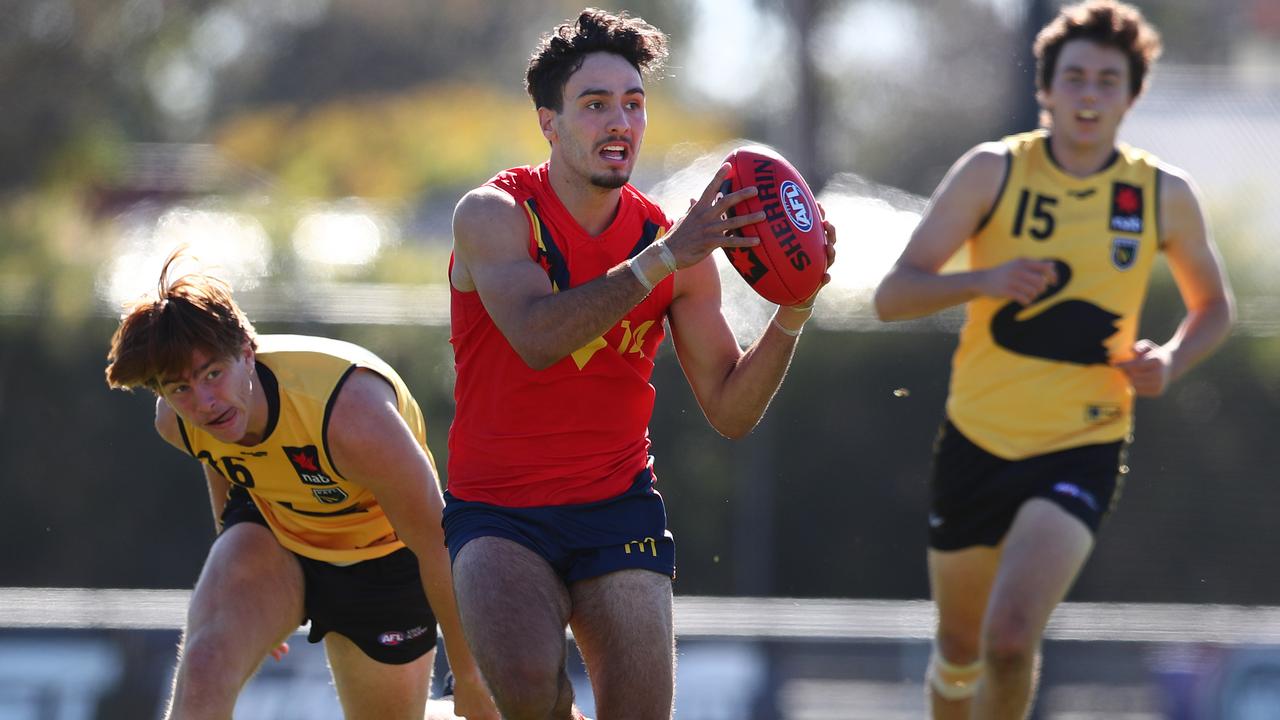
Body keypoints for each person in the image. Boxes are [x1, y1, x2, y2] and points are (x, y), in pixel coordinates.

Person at [445, 8, 836, 719]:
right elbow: (537, 337)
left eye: (632, 102)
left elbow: (730, 409)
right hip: (499, 514)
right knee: (532, 700)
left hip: (614, 507)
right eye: (594, 105)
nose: (618, 121)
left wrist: (794, 308)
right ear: (549, 122)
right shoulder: (495, 215)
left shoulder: (672, 243)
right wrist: (662, 259)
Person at [873, 1, 1233, 718]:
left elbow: (1214, 309)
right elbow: (893, 295)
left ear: (1132, 95)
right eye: (1075, 78)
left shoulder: (1162, 193)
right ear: (1047, 89)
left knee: (1010, 639)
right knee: (960, 648)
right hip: (977, 439)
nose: (1090, 95)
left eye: (1108, 80)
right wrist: (983, 279)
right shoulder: (992, 172)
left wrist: (1170, 360)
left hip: (1083, 444)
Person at [105, 249, 498, 720]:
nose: (205, 403)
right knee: (206, 662)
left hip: (383, 559)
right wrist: (239, 591)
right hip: (278, 536)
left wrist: (471, 678)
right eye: (180, 388)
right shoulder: (176, 422)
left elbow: (437, 541)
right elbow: (222, 462)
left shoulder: (351, 415)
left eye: (213, 374)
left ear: (247, 353)